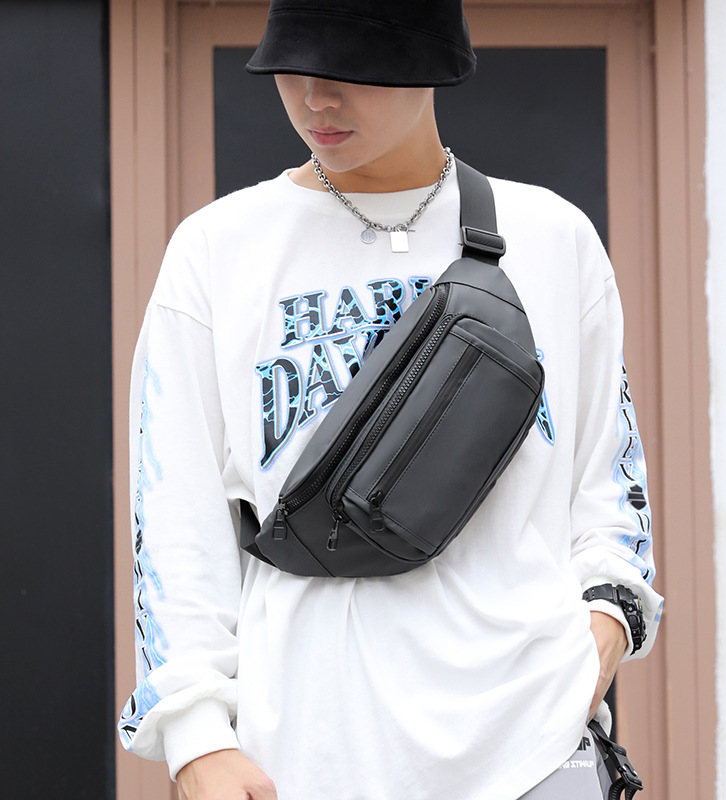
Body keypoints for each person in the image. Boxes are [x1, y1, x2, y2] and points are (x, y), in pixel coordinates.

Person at [118, 2, 663, 798]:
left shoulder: (552, 237)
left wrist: (604, 626)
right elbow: (175, 511)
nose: (315, 99)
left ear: (429, 64)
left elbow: (609, 479)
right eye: (292, 70)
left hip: (533, 745)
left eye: (350, 71)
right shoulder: (218, 249)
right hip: (305, 748)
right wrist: (196, 735)